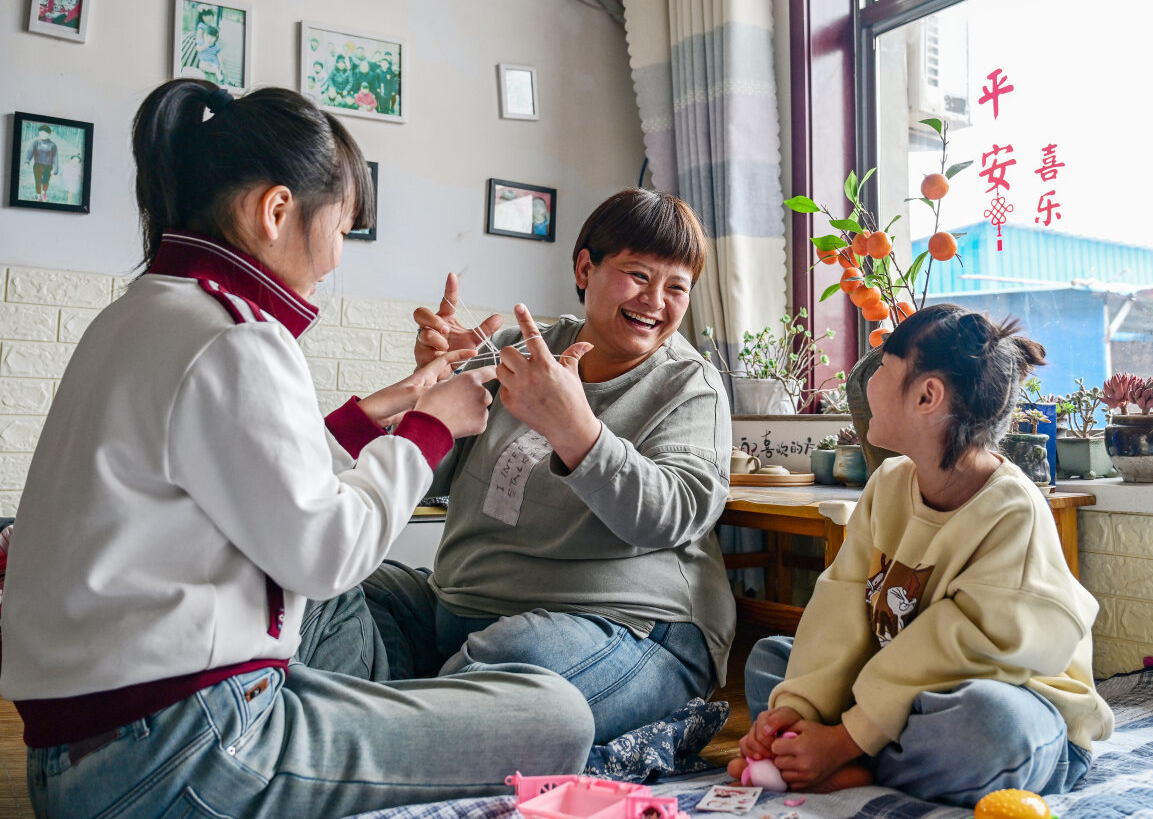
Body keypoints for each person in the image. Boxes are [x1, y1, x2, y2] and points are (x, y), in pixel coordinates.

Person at [0, 79, 592, 819]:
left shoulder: (141, 314)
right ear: (277, 210)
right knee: (557, 712)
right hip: (190, 753)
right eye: (342, 227)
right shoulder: (239, 335)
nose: (338, 257)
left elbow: (248, 470)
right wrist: (430, 426)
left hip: (78, 759)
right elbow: (324, 553)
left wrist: (400, 400)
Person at [301, 188, 737, 746]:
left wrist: (575, 429)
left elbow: (671, 516)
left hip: (630, 630)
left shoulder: (688, 387)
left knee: (515, 656)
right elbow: (428, 478)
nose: (655, 300)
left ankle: (382, 720)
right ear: (586, 266)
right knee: (322, 576)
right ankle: (415, 720)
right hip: (454, 610)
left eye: (677, 287)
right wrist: (428, 397)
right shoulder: (511, 348)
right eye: (638, 275)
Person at [730, 304, 1114, 806]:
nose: (866, 382)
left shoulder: (1011, 509)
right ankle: (837, 755)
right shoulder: (889, 484)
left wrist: (845, 738)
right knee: (773, 661)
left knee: (990, 727)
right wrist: (798, 710)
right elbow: (841, 604)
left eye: (883, 368)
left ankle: (854, 763)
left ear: (927, 395)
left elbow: (959, 648)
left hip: (1018, 704)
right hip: (901, 693)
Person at [24, 125, 59, 203]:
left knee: (46, 181)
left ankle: (44, 193)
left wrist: (55, 169)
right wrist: (27, 162)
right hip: (37, 165)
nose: (43, 134)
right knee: (38, 181)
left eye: (46, 133)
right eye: (42, 133)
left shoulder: (53, 145)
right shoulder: (36, 142)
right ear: (39, 133)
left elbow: (55, 157)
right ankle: (38, 196)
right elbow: (30, 152)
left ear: (49, 134)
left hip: (48, 166)